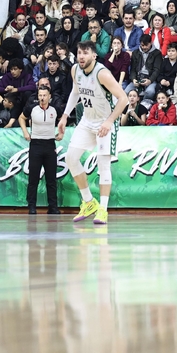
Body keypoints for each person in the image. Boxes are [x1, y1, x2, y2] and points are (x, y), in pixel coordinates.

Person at [57, 40, 127, 225]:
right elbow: (75, 92)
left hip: (105, 122)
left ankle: (103, 209)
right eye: (79, 53)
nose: (81, 56)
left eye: (85, 53)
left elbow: (123, 99)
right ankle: (89, 202)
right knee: (71, 158)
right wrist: (65, 116)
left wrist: (109, 121)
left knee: (103, 165)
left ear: (94, 55)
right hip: (87, 120)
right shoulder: (75, 70)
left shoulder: (102, 73)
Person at [19, 85, 61, 215]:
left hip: (50, 144)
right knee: (33, 178)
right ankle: (31, 206)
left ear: (49, 97)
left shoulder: (55, 109)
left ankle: (53, 207)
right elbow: (21, 118)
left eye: (44, 95)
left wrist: (61, 133)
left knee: (51, 179)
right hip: (36, 144)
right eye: (40, 95)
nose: (42, 98)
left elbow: (63, 120)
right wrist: (25, 132)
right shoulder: (32, 108)